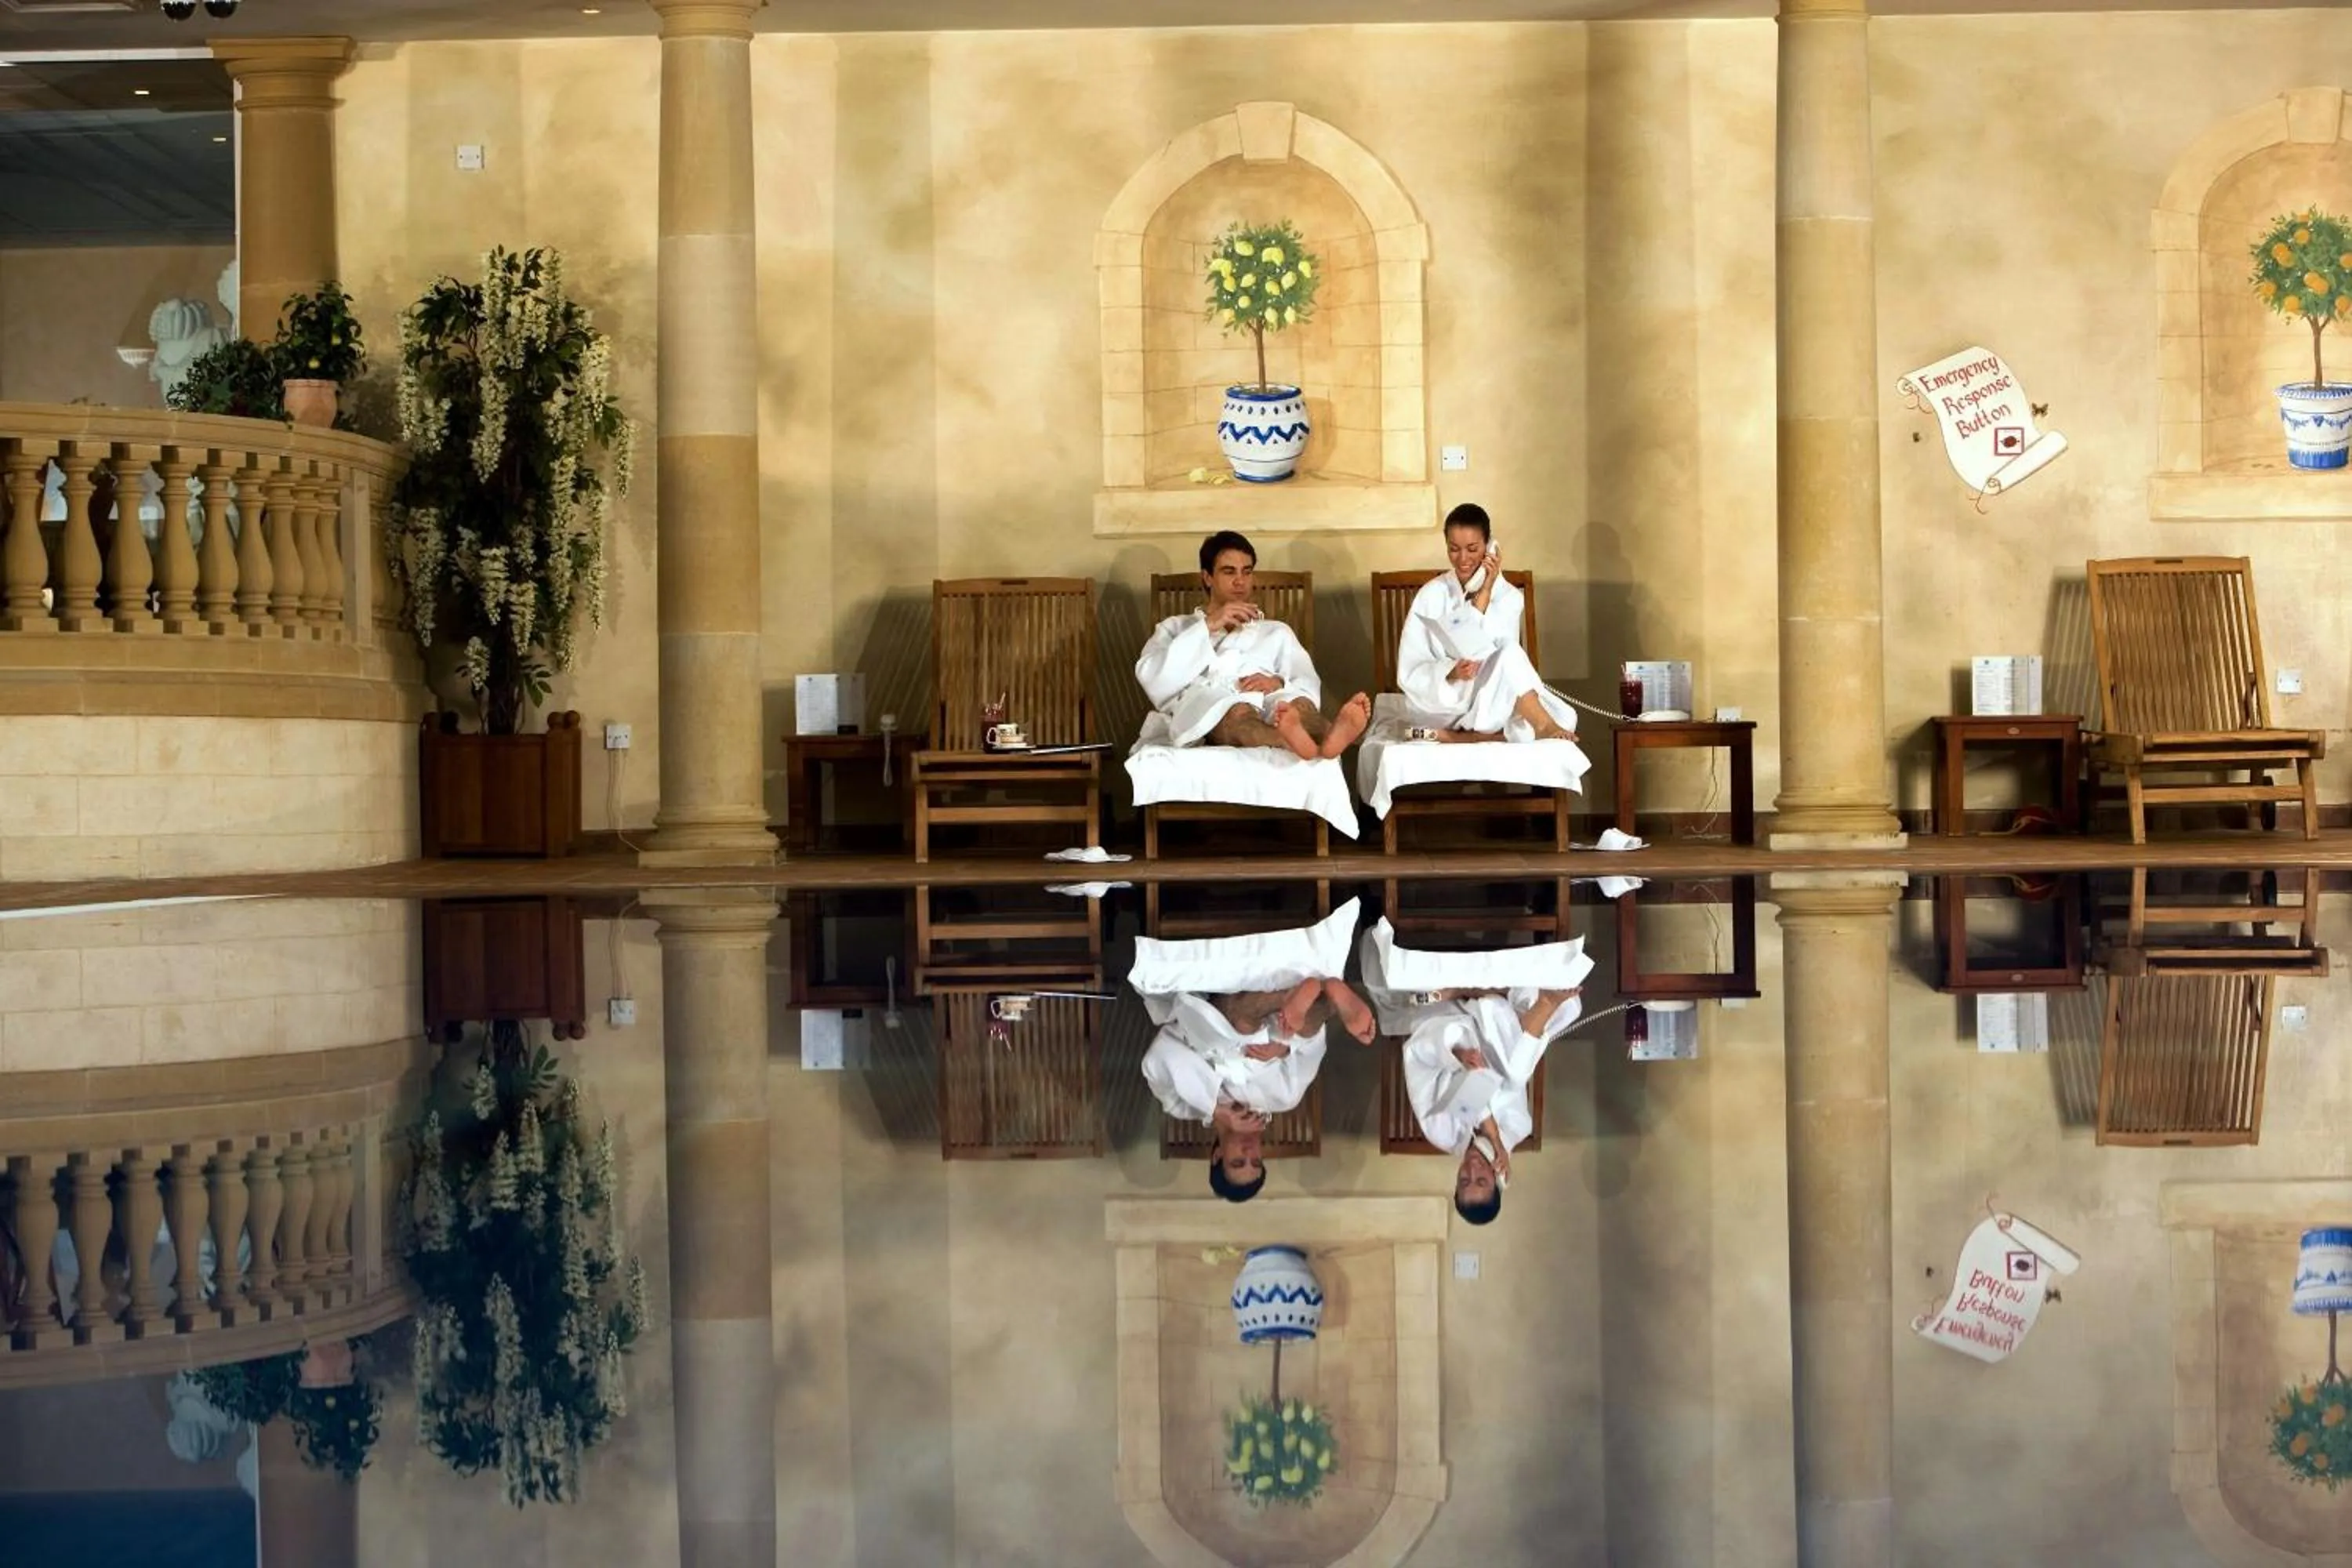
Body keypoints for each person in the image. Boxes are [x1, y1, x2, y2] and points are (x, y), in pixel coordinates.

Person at [1137, 529, 1372, 761]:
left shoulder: (1276, 630)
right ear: (1207, 577)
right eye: (1229, 572)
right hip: (1215, 702)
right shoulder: (1176, 628)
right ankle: (1287, 739)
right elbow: (1153, 677)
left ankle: (1328, 735)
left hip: (1273, 700)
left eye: (1247, 572)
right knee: (1237, 713)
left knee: (1299, 705)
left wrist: (1278, 682)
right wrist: (1209, 625)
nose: (1240, 581)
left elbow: (1306, 679)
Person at [1142, 977, 1378, 1202]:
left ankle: (1317, 995)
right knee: (1306, 1029)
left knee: (1244, 1026)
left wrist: (1215, 1107)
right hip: (1283, 1025)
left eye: (1238, 1161)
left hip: (1221, 1023)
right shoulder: (1284, 1098)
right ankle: (1326, 995)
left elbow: (1159, 1055)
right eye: (1255, 1161)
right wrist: (1284, 1050)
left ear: (1217, 1156)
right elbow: (1313, 1051)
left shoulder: (1183, 1106)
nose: (1249, 1152)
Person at [1395, 503, 1579, 744]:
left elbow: (1491, 656)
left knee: (1512, 653)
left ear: (1490, 547)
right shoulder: (1430, 595)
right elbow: (1410, 669)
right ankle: (1533, 726)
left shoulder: (1509, 598)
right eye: (1454, 549)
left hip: (1486, 698)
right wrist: (1449, 671)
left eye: (1472, 549)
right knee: (1524, 725)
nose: (1462, 559)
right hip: (1439, 702)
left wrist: (1486, 589)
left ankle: (1535, 726)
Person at [1401, 987, 1581, 1225]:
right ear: (1498, 1179)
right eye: (1481, 1181)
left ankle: (1470, 992)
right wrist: (1497, 1140)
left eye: (1464, 1180)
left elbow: (1420, 1058)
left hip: (1450, 1031)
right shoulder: (1519, 1127)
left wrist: (1457, 1054)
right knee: (1570, 1010)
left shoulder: (1440, 1132)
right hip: (1497, 1035)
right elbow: (1490, 1082)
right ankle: (1508, 996)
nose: (1472, 1170)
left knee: (1515, 1071)